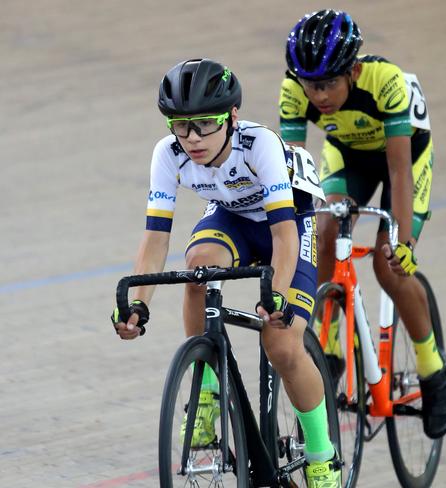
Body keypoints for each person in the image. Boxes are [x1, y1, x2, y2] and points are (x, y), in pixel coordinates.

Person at [111, 58, 341, 486]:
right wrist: (138, 306)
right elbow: (156, 237)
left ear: (232, 116)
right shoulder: (168, 153)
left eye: (204, 124)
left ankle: (321, 454)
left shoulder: (260, 146)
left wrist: (277, 294)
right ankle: (208, 392)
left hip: (288, 221)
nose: (192, 138)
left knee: (282, 345)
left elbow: (285, 237)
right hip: (232, 216)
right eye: (180, 125)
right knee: (197, 268)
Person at [279, 9, 446, 439]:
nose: (317, 95)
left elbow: (398, 172)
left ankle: (433, 370)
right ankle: (332, 346)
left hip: (404, 158)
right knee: (321, 233)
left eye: (327, 84)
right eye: (309, 84)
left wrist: (404, 242)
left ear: (353, 71)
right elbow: (290, 173)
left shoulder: (387, 83)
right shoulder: (293, 89)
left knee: (386, 262)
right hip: (348, 156)